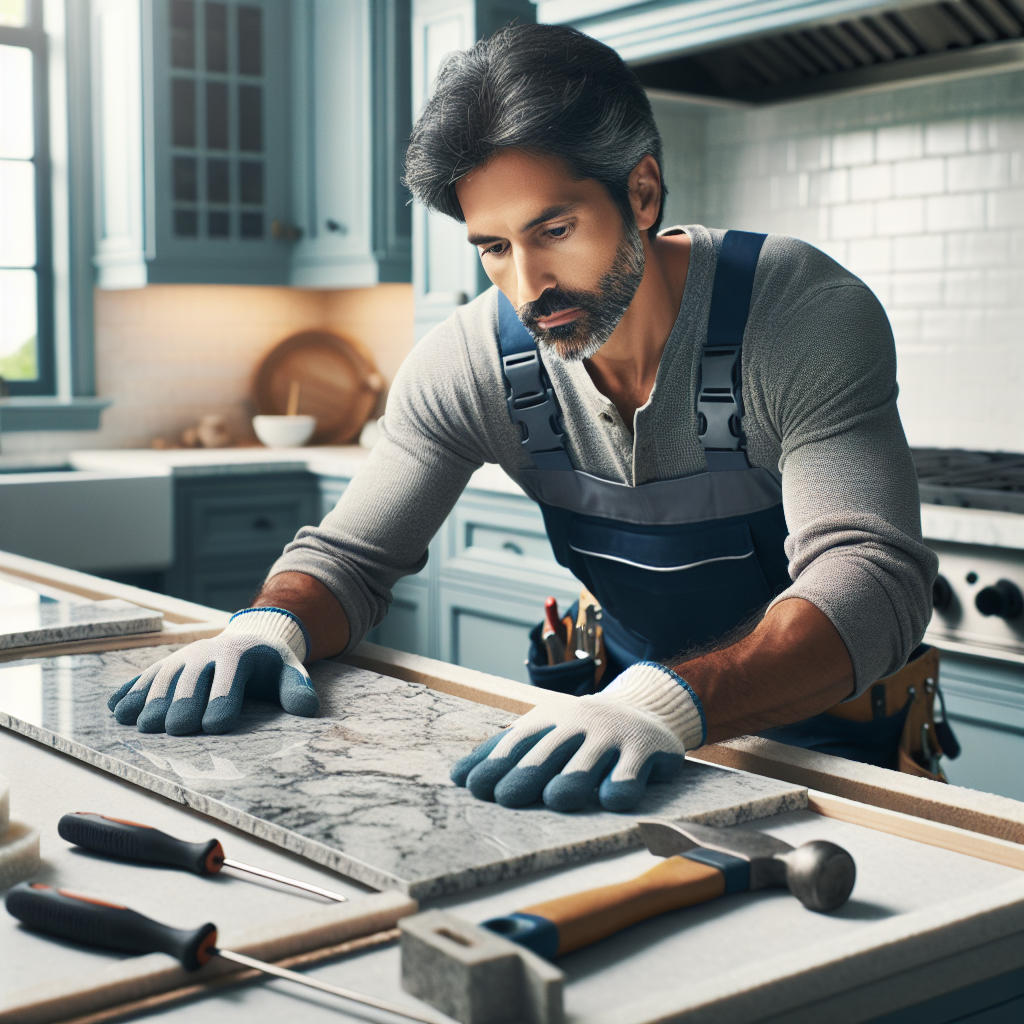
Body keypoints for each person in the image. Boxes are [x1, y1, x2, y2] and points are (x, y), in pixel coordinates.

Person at [108, 24, 936, 812]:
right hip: (621, 741)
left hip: (832, 742)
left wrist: (664, 703)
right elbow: (350, 559)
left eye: (556, 229)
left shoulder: (798, 313)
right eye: (493, 247)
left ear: (641, 192)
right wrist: (271, 622)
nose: (529, 283)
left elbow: (873, 577)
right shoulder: (472, 362)